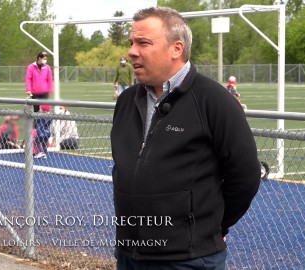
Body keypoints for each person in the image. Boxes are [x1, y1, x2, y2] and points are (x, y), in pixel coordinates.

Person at [111, 7, 261, 270]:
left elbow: (245, 175)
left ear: (176, 49)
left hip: (189, 260)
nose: (132, 51)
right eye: (132, 43)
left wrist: (208, 227)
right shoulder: (126, 101)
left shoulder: (214, 101)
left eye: (143, 43)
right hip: (129, 254)